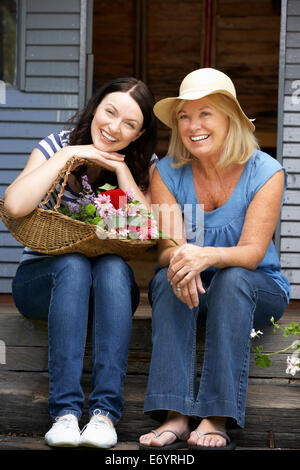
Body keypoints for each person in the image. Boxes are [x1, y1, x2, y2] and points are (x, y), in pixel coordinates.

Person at [139, 68, 290, 451]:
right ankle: (174, 413)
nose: (193, 125)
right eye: (185, 116)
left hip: (256, 290)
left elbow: (253, 253)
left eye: (205, 113)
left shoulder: (266, 172)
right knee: (165, 276)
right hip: (194, 290)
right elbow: (168, 247)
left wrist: (202, 255)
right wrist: (181, 258)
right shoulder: (166, 172)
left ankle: (216, 415)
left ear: (230, 119)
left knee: (235, 277)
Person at [4, 77, 157, 448]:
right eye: (110, 112)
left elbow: (150, 233)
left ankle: (104, 415)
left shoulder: (143, 165)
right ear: (95, 107)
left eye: (129, 124)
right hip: (41, 283)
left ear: (138, 135)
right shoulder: (56, 145)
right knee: (73, 264)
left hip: (107, 292)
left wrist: (122, 174)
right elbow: (14, 205)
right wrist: (68, 157)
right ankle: (66, 414)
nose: (114, 127)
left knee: (112, 266)